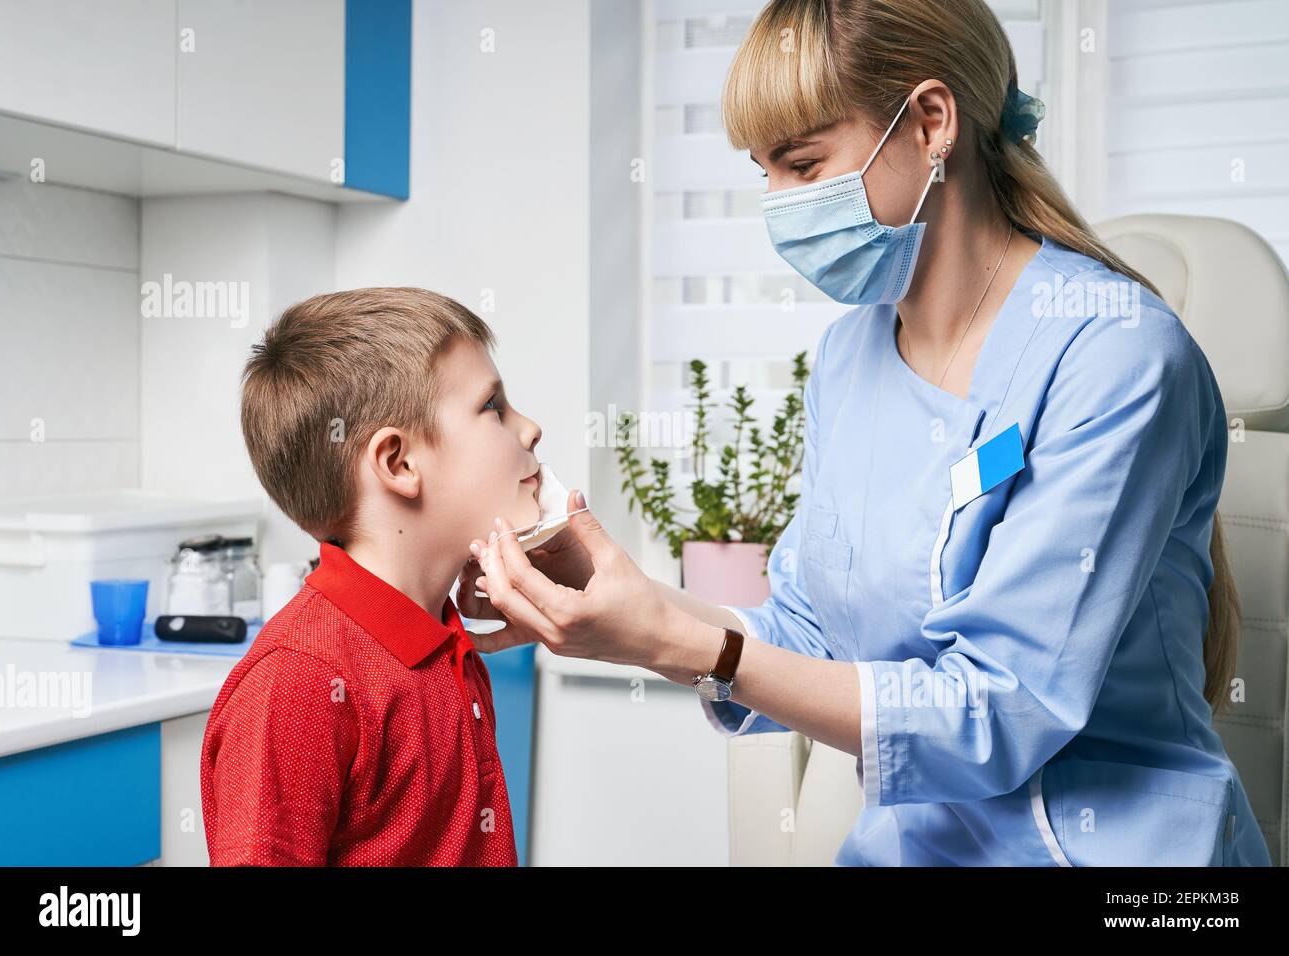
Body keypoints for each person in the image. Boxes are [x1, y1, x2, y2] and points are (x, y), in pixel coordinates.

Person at [460, 0, 1272, 866]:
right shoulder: (851, 360)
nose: (777, 206)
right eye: (763, 172)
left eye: (803, 164)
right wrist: (632, 607)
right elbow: (808, 636)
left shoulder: (1116, 354)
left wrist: (674, 637)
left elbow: (1002, 712)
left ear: (930, 122)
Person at [201, 287, 544, 865]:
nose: (530, 428)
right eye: (493, 407)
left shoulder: (452, 639)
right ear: (399, 463)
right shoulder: (296, 686)